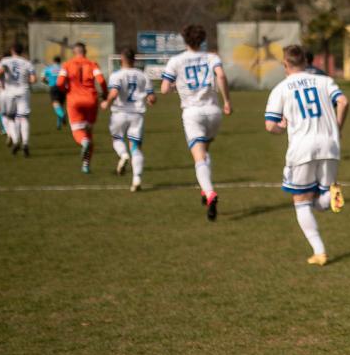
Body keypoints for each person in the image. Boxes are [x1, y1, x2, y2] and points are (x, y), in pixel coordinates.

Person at [264, 45, 348, 266]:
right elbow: (343, 101)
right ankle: (332, 193)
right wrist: (337, 127)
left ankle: (319, 251)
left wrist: (281, 127)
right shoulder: (324, 81)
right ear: (307, 62)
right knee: (319, 201)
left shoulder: (281, 88)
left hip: (302, 149)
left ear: (285, 64)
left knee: (301, 201)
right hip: (330, 145)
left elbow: (270, 126)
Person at [161, 24, 232, 220]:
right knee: (205, 152)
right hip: (213, 111)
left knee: (199, 157)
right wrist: (227, 101)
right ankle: (204, 190)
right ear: (202, 40)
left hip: (192, 112)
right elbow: (221, 76)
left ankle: (209, 193)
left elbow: (165, 89)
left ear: (185, 40)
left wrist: (176, 86)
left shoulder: (176, 61)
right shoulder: (212, 57)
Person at [101, 48, 155, 192]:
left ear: (121, 60)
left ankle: (123, 155)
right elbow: (152, 98)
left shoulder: (117, 75)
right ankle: (136, 178)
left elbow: (114, 91)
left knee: (117, 139)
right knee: (136, 147)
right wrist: (150, 100)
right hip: (137, 115)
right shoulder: (143, 76)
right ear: (134, 60)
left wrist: (107, 101)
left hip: (119, 113)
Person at [56, 42, 106, 173]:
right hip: (91, 100)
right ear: (85, 52)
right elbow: (101, 80)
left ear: (74, 52)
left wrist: (65, 89)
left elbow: (59, 82)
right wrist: (105, 93)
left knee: (78, 132)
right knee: (89, 132)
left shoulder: (66, 65)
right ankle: (86, 165)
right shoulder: (92, 64)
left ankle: (83, 143)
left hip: (74, 101)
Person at [0, 43, 35, 157]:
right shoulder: (27, 63)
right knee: (23, 118)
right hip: (23, 91)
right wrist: (25, 81)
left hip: (9, 92)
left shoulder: (5, 60)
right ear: (22, 51)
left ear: (12, 50)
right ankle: (25, 143)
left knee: (9, 117)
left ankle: (16, 140)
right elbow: (33, 79)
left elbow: (1, 71)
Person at [42, 56, 67, 130]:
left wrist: (48, 82)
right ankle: (58, 125)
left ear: (53, 61)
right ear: (60, 61)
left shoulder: (48, 68)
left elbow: (43, 79)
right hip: (62, 88)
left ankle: (62, 116)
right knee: (60, 106)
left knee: (56, 105)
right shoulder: (63, 68)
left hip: (54, 88)